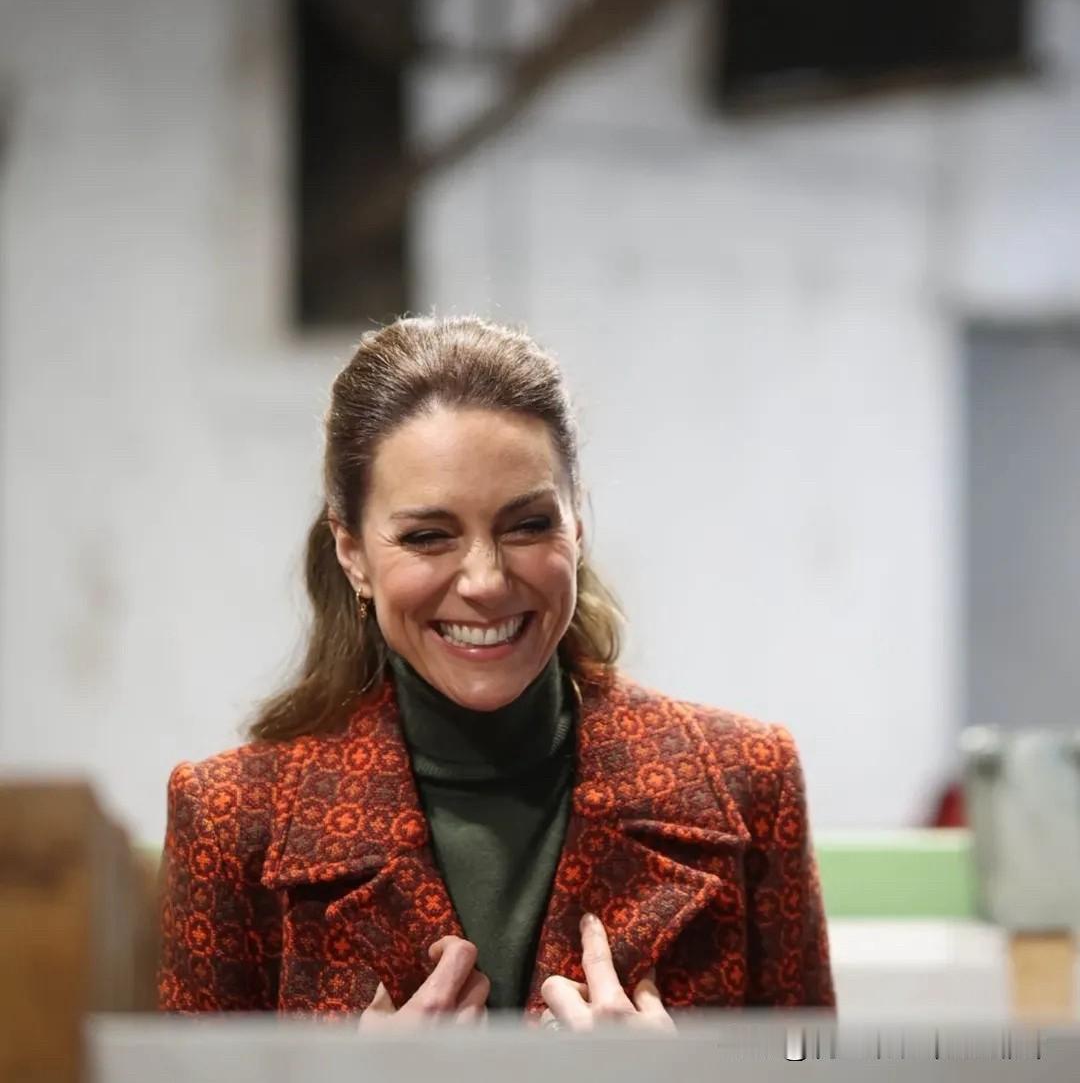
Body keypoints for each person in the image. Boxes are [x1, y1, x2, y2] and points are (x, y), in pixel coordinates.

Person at [158, 316, 834, 1027]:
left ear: (576, 526)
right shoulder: (231, 820)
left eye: (528, 525)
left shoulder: (749, 783)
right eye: (428, 536)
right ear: (352, 553)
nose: (485, 581)